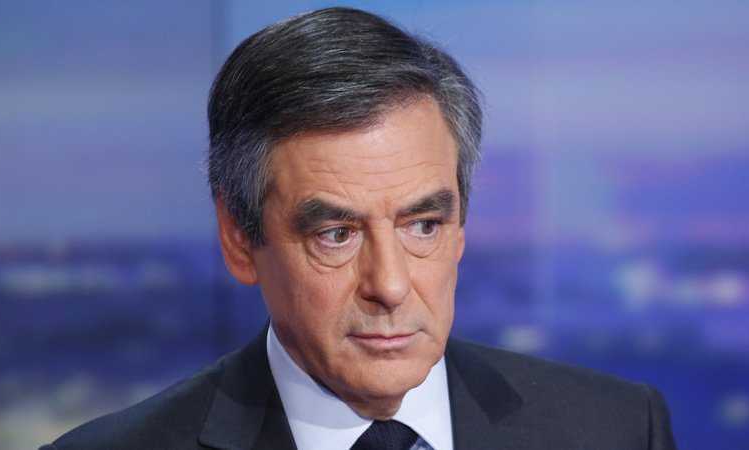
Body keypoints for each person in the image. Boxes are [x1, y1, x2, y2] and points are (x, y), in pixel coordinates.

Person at [42, 7, 676, 450]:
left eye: (423, 225)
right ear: (239, 239)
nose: (390, 285)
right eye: (336, 235)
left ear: (461, 226)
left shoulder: (617, 431)